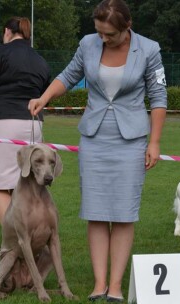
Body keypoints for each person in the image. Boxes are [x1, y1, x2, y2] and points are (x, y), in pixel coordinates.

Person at [29, 0, 167, 301]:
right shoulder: (87, 44)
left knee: (123, 213)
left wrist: (154, 142)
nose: (103, 39)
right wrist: (44, 98)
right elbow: (68, 76)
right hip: (94, 139)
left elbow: (158, 96)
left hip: (131, 141)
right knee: (96, 211)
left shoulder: (149, 50)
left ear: (126, 27)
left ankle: (116, 286)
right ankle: (99, 283)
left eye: (110, 35)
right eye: (99, 32)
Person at [0, 17, 50, 228]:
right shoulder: (40, 59)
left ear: (7, 31)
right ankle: (34, 234)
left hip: (6, 120)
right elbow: (46, 89)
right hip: (34, 123)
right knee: (27, 184)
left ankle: (15, 240)